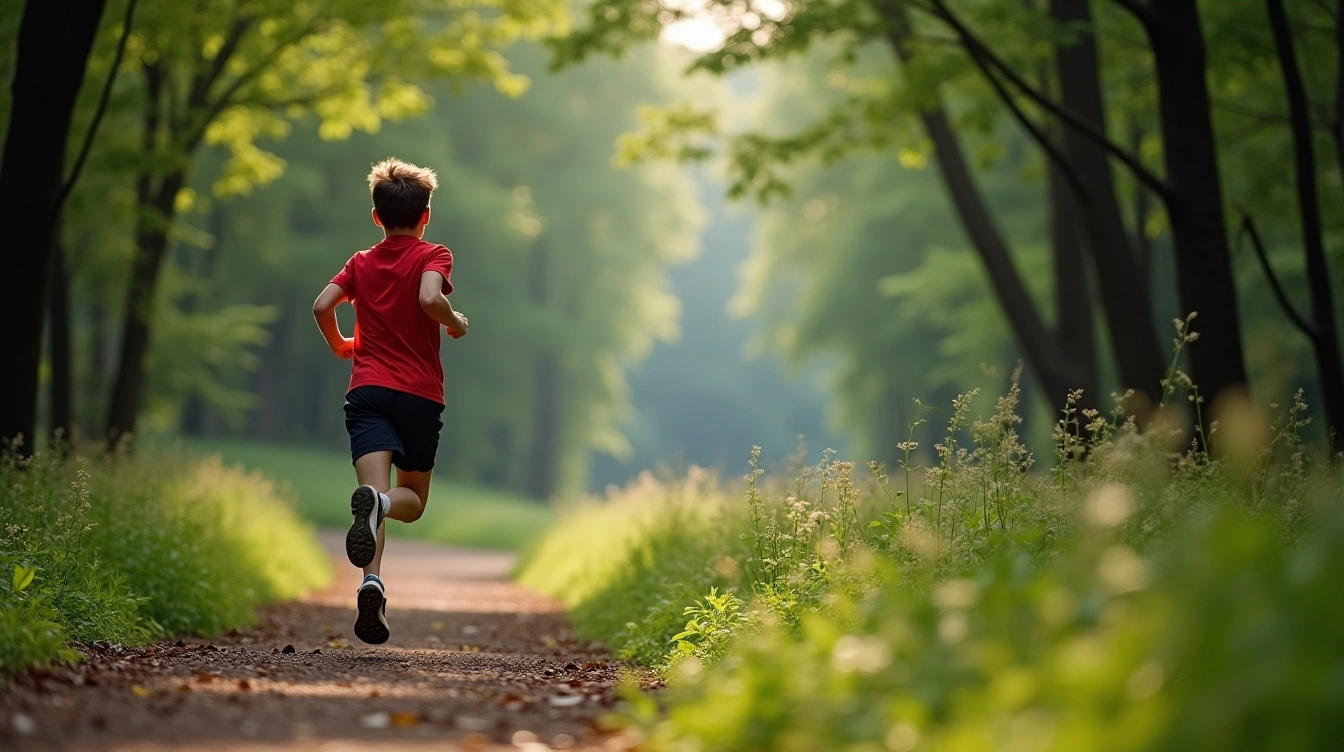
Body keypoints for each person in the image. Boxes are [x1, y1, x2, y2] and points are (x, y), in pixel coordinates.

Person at [311, 157, 469, 644]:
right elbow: (427, 299)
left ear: (376, 217)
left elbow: (321, 305)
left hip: (368, 393)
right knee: (412, 502)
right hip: (419, 395)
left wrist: (340, 344)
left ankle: (372, 582)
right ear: (426, 215)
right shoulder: (434, 254)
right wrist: (454, 320)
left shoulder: (360, 262)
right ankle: (380, 505)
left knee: (370, 496)